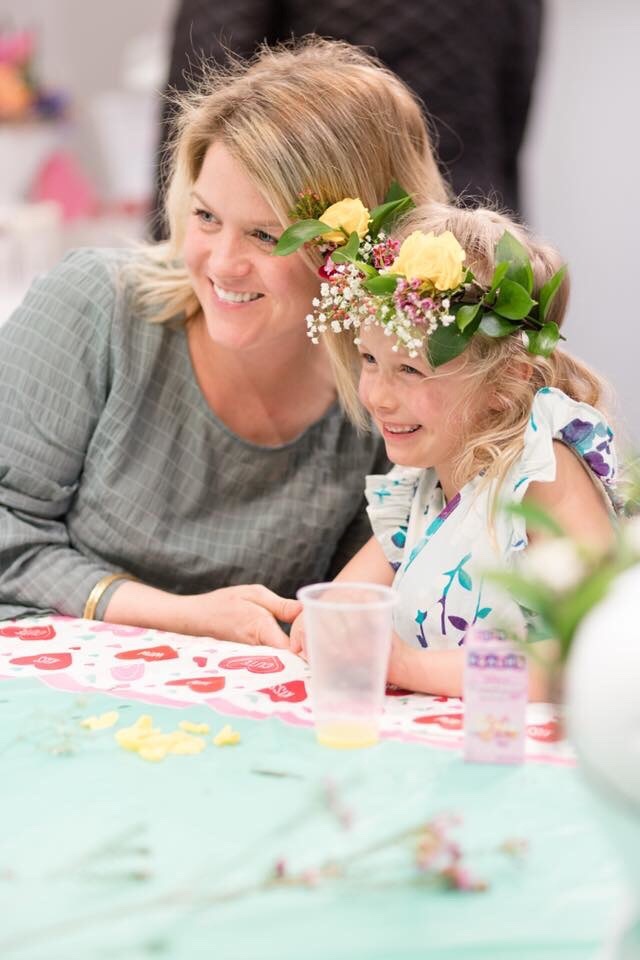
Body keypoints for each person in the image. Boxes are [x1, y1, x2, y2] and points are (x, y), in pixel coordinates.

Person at [0, 38, 448, 645]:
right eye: (207, 217)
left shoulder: (382, 393)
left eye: (266, 235)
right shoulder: (95, 307)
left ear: (354, 250)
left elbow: (378, 598)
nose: (222, 264)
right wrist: (181, 615)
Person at [286, 200, 617, 695]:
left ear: (506, 380)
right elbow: (344, 605)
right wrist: (323, 622)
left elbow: (592, 649)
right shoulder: (422, 485)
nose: (376, 395)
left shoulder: (542, 474)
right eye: (369, 358)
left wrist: (409, 668)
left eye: (410, 370)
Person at [150, 0, 542, 239]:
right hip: (466, 228)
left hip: (317, 231)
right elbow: (513, 105)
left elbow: (205, 86)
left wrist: (177, 243)